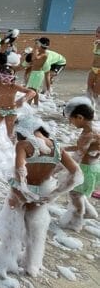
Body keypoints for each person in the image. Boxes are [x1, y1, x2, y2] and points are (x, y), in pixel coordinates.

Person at [0, 116, 82, 277]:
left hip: (21, 192)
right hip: (43, 192)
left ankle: (7, 262)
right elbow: (76, 174)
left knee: (12, 228)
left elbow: (20, 170)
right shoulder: (57, 148)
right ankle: (31, 266)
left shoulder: (23, 145)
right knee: (34, 230)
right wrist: (56, 193)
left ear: (24, 130)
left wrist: (24, 189)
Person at [62, 98, 99, 230]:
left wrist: (60, 167)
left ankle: (77, 221)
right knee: (79, 193)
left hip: (85, 169)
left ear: (80, 117)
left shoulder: (87, 135)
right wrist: (64, 148)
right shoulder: (93, 130)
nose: (70, 123)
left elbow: (79, 154)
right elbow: (82, 149)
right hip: (93, 167)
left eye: (71, 119)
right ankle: (89, 213)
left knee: (74, 194)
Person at [0, 61, 36, 141]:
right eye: (3, 76)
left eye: (9, 77)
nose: (6, 79)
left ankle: (14, 147)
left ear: (13, 77)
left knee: (10, 134)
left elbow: (32, 92)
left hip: (11, 111)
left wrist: (23, 99)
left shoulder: (14, 86)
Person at [25, 39, 49, 104]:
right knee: (32, 89)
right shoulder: (39, 52)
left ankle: (30, 104)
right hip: (34, 73)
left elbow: (35, 58)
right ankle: (34, 104)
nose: (36, 45)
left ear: (41, 45)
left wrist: (35, 48)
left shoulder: (44, 54)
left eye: (38, 44)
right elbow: (32, 58)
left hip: (38, 74)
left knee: (33, 90)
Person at [87, 25, 100, 106]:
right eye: (97, 31)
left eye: (99, 32)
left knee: (96, 92)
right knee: (89, 89)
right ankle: (89, 107)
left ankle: (96, 109)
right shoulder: (96, 43)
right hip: (93, 68)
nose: (97, 34)